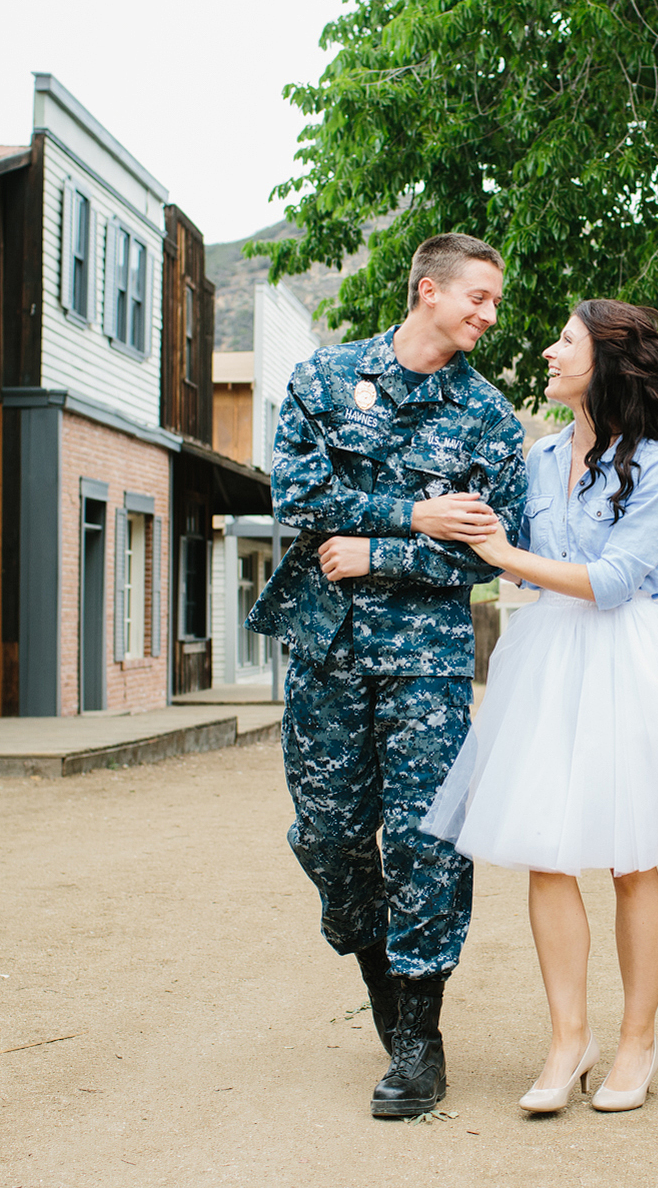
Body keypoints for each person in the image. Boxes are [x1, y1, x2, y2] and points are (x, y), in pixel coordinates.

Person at [422, 299, 658, 1114]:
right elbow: (513, 563)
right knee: (548, 855)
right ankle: (566, 1039)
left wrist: (509, 553)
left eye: (566, 341)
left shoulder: (656, 465)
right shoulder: (539, 458)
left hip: (627, 662)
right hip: (546, 661)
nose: (548, 351)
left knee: (629, 856)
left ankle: (636, 1043)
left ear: (608, 361)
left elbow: (616, 581)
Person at [247, 232, 526, 1118]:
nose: (489, 314)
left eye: (495, 302)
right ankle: (365, 939)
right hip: (326, 648)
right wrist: (413, 513)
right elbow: (296, 498)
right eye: (477, 297)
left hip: (427, 662)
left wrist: (379, 551)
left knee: (425, 840)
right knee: (330, 838)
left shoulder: (488, 419)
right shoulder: (324, 381)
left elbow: (487, 555)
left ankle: (416, 1037)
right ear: (427, 290)